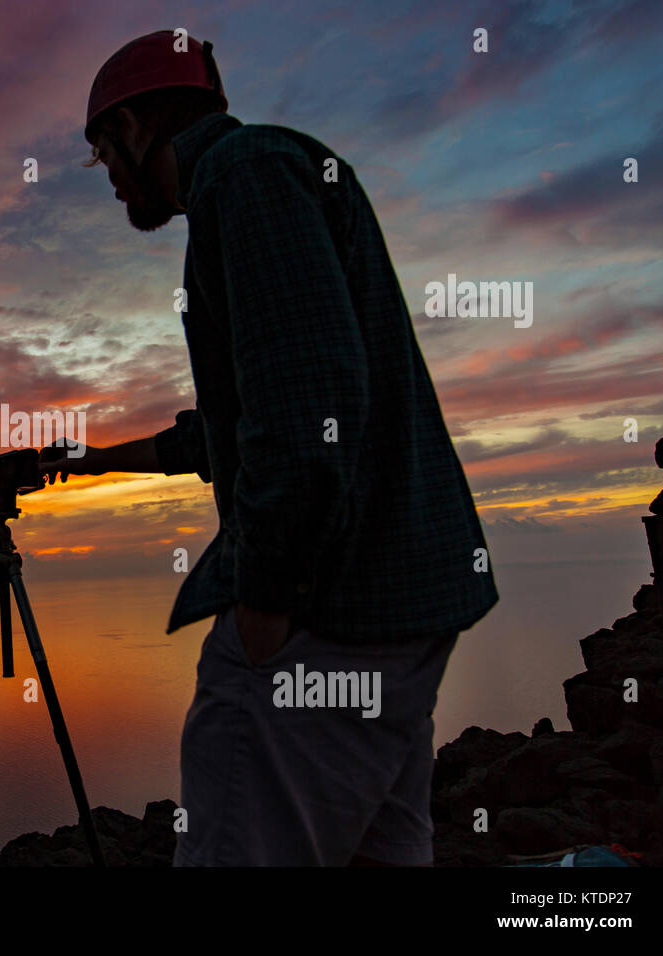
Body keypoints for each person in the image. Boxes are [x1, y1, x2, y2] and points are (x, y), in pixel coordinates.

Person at [40, 29, 498, 866]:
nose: (106, 178)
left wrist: (265, 608)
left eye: (103, 151)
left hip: (329, 613)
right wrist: (91, 461)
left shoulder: (243, 177)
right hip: (397, 603)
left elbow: (307, 409)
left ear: (140, 128)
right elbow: (243, 426)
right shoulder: (271, 174)